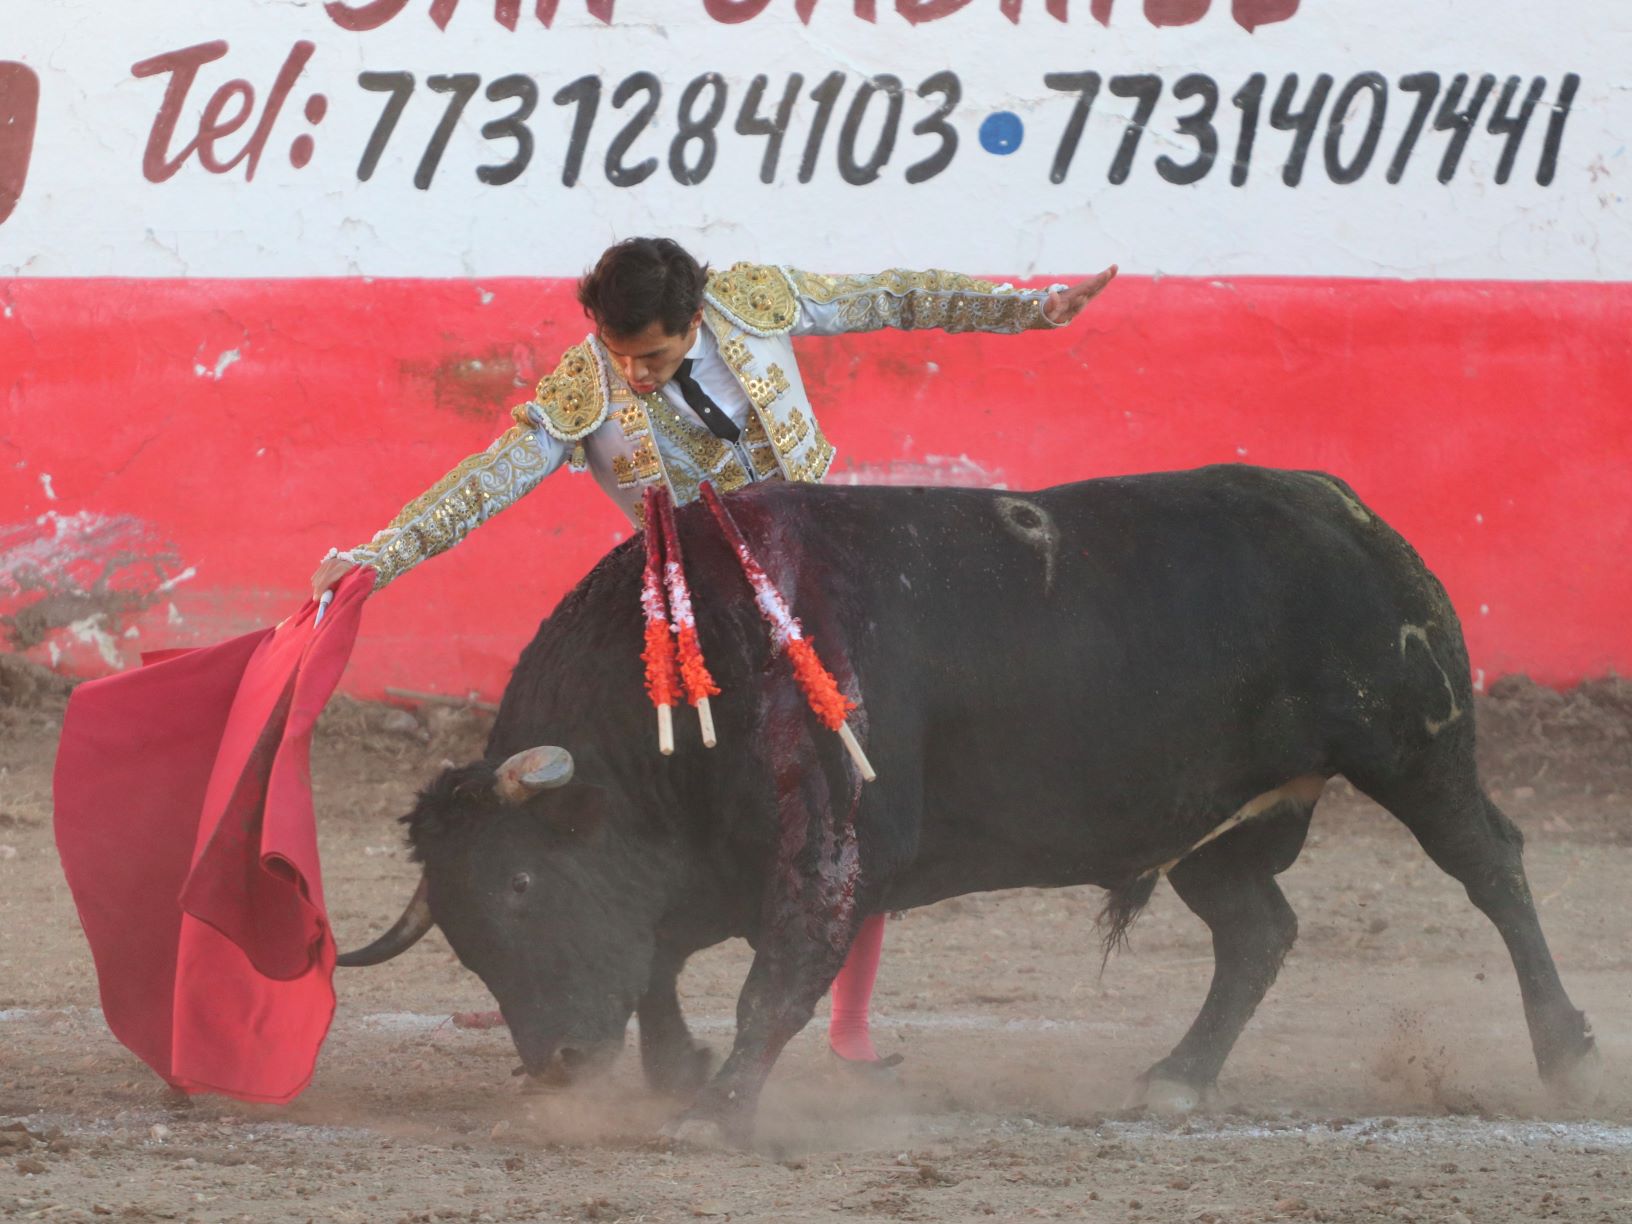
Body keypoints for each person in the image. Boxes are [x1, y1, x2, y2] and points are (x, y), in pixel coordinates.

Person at [312, 237, 1117, 1067]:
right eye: (618, 354)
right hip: (698, 614)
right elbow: (486, 480)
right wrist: (378, 557)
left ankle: (849, 1023)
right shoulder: (582, 388)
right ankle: (597, 985)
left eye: (653, 356)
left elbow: (891, 296)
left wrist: (1028, 308)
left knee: (855, 779)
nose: (634, 375)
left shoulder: (755, 301)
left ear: (695, 318)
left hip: (827, 572)